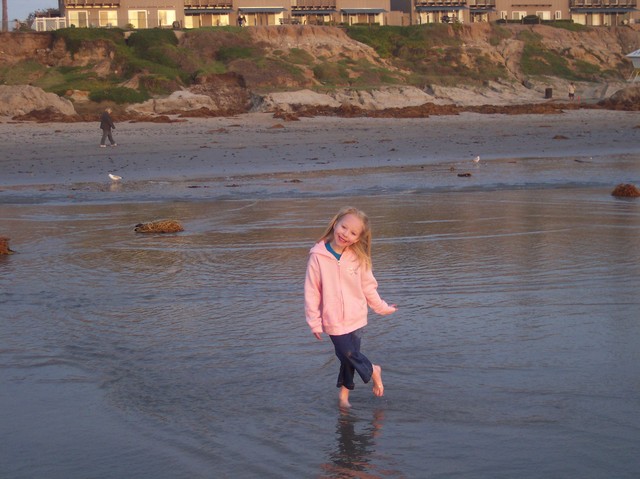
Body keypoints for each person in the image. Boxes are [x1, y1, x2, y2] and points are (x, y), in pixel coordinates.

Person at [304, 206, 397, 408]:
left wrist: (381, 307)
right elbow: (312, 291)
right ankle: (373, 370)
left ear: (358, 238)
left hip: (356, 316)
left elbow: (368, 287)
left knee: (349, 359)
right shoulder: (318, 256)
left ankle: (344, 396)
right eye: (344, 227)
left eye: (353, 232)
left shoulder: (358, 258)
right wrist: (314, 321)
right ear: (335, 223)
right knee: (347, 353)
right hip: (333, 319)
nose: (346, 234)